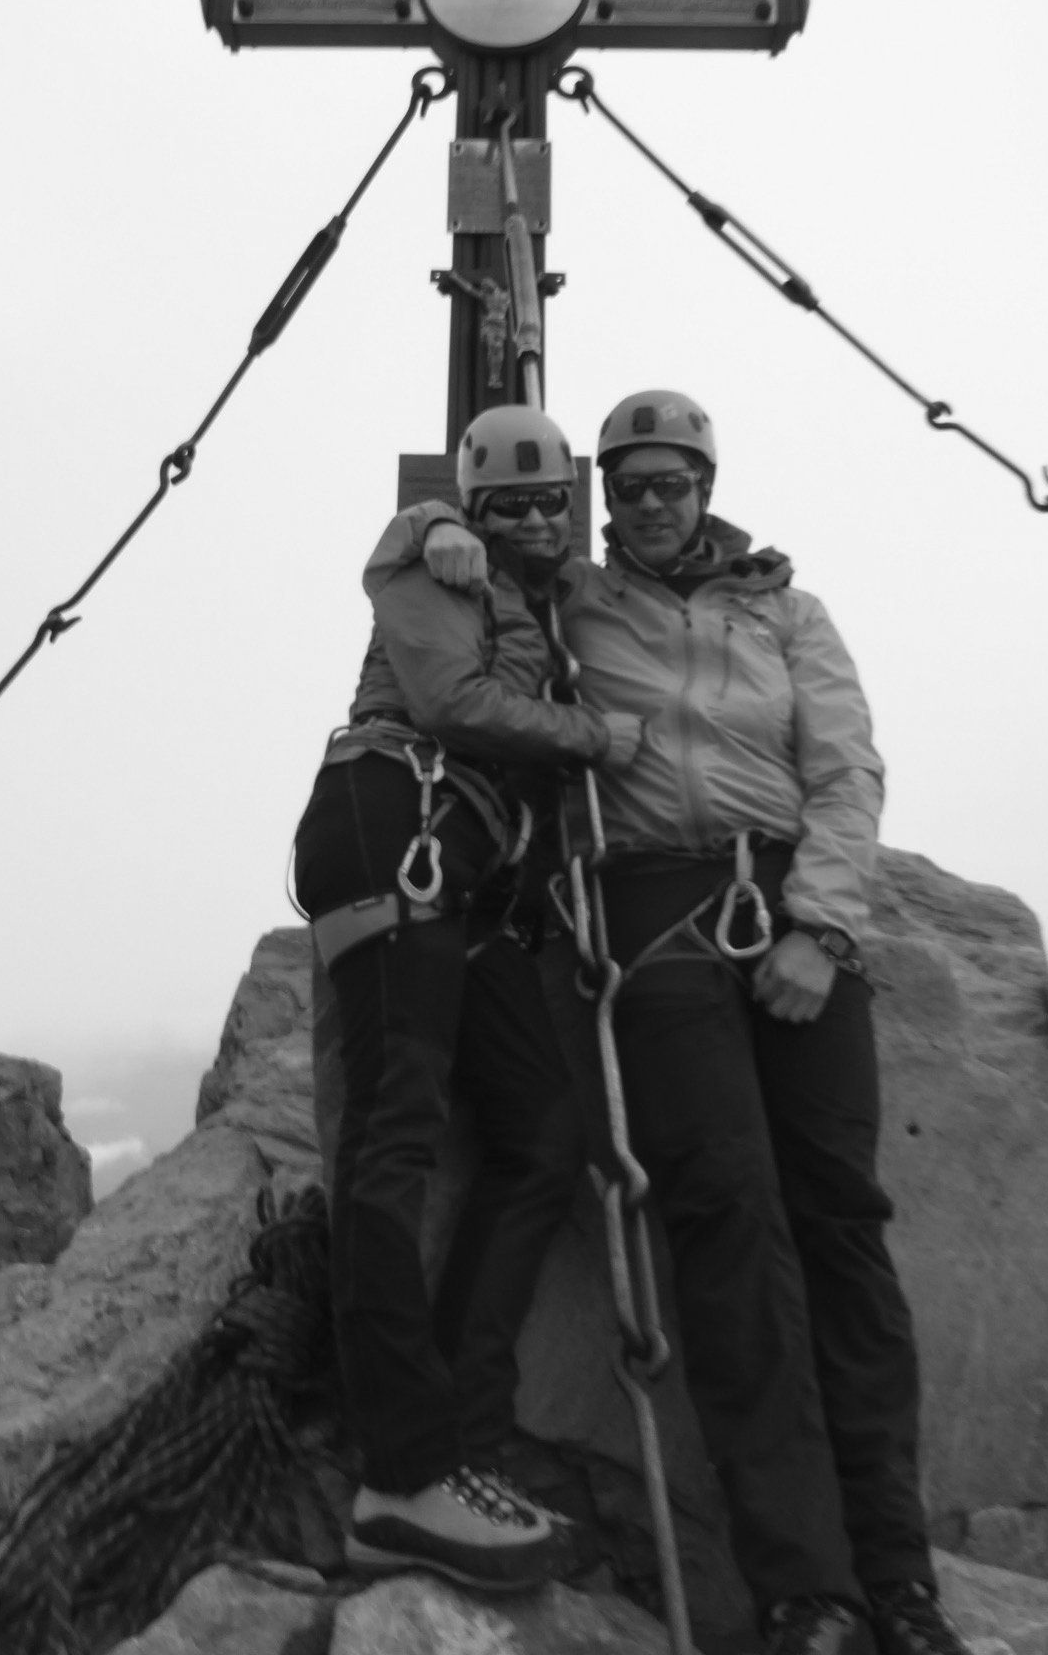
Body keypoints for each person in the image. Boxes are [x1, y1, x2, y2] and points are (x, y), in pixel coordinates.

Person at [383, 388, 970, 1655]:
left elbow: (846, 770)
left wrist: (820, 926)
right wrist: (434, 520)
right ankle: (807, 1588)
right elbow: (478, 550)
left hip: (790, 908)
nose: (651, 503)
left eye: (673, 481)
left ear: (707, 484)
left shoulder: (788, 611)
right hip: (654, 917)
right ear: (611, 496)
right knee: (728, 1228)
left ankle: (900, 1578)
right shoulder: (573, 601)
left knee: (843, 1231)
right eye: (631, 485)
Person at [291, 402, 642, 1593]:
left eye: (553, 500)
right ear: (476, 507)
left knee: (540, 1130)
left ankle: (461, 1432)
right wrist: (595, 736)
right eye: (509, 502)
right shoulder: (431, 558)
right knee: (394, 1135)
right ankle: (404, 1473)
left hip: (467, 865)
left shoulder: (549, 597)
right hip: (395, 814)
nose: (536, 518)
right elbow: (449, 703)